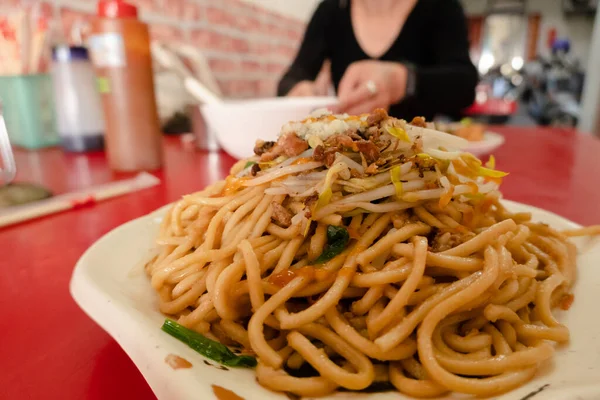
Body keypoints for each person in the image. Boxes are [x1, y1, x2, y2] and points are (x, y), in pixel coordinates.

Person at [277, 0, 478, 120]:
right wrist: (300, 89)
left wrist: (403, 81)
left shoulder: (441, 7)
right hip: (348, 150)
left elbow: (465, 85)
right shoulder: (331, 10)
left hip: (422, 153)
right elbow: (293, 76)